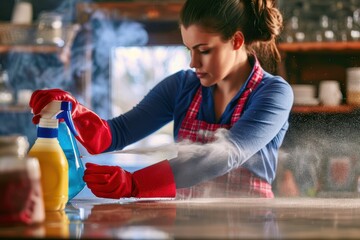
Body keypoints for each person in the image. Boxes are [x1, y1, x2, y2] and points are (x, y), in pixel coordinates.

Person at [29, 0, 293, 199]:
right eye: (189, 50)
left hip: (251, 227)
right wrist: (75, 114)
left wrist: (136, 183)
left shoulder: (273, 93)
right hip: (188, 226)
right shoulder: (182, 87)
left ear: (236, 41)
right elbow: (118, 132)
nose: (193, 63)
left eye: (204, 50)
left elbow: (227, 154)